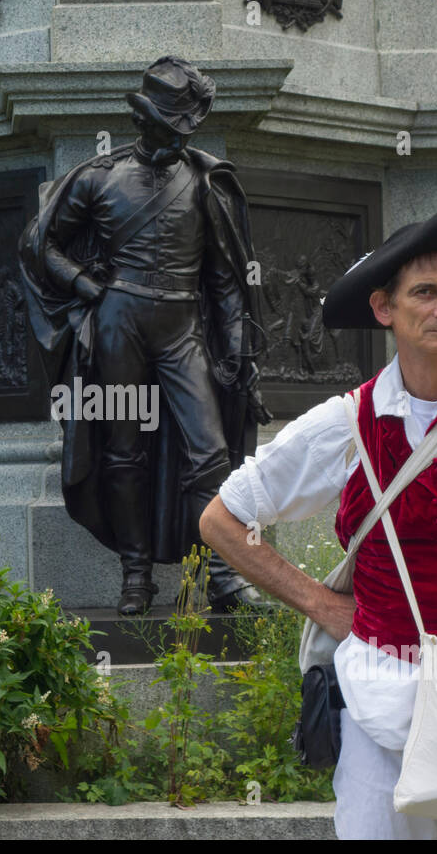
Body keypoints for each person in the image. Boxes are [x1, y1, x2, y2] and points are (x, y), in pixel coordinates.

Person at [200, 211, 437, 839]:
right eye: (425, 292)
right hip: (383, 702)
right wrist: (327, 608)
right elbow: (223, 520)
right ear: (384, 308)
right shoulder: (347, 424)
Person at [19, 56, 271, 616]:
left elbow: (226, 280)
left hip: (183, 327)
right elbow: (39, 246)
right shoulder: (96, 178)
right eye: (175, 122)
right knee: (124, 451)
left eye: (187, 125)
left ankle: (225, 574)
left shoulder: (207, 181)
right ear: (147, 120)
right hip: (118, 325)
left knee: (211, 451)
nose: (184, 134)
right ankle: (136, 573)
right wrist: (84, 283)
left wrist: (234, 349)